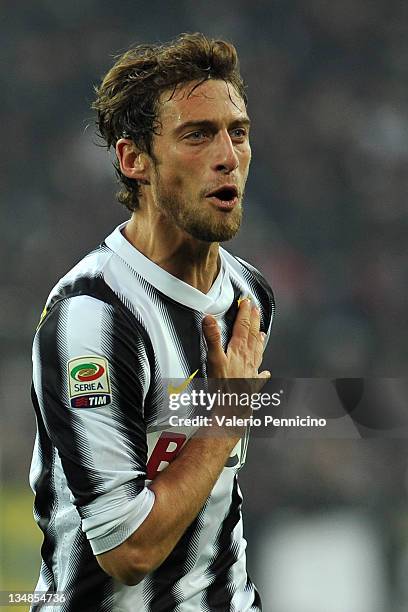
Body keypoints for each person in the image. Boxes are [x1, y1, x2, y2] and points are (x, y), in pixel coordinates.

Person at [29, 32, 275, 611]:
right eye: (197, 135)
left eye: (237, 132)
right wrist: (227, 414)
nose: (227, 156)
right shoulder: (93, 315)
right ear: (133, 159)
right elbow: (128, 552)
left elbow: (216, 485)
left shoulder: (249, 295)